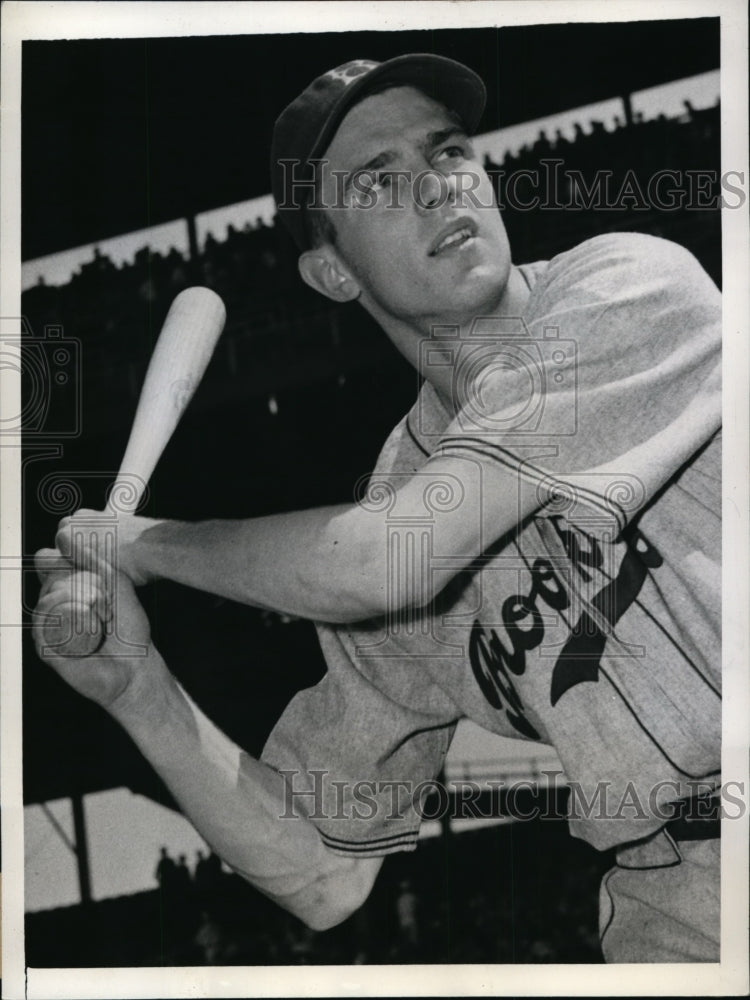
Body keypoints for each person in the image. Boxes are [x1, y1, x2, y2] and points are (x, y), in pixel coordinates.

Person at [32, 54, 721, 962]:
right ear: (333, 275)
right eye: (380, 182)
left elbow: (381, 562)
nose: (437, 187)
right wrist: (141, 690)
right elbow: (321, 871)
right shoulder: (392, 500)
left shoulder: (628, 290)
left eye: (448, 150)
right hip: (672, 906)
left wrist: (145, 543)